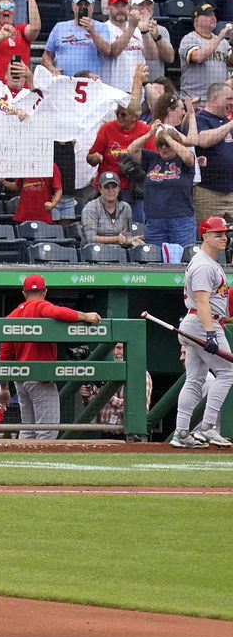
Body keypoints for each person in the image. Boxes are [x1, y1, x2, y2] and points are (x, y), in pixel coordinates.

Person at [0, 274, 102, 440]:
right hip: (40, 377)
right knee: (47, 429)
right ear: (45, 292)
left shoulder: (12, 315)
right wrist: (85, 316)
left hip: (20, 379)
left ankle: (23, 463)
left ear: (23, 293)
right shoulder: (40, 305)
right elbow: (58, 312)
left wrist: (4, 387)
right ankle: (39, 463)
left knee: (28, 428)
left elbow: (4, 356)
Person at [169, 217, 233, 448]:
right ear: (205, 236)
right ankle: (207, 427)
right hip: (203, 322)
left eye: (225, 233)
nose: (224, 237)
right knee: (228, 373)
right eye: (218, 234)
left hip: (196, 322)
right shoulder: (204, 265)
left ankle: (182, 432)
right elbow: (203, 302)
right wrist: (210, 334)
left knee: (194, 379)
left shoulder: (208, 261)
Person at [127, 122, 197, 245]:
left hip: (181, 221)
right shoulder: (152, 159)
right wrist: (150, 134)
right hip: (155, 221)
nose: (163, 148)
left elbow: (188, 158)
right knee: (155, 260)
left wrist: (168, 138)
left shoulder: (184, 160)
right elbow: (131, 150)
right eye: (160, 145)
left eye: (167, 145)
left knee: (182, 259)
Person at [87, 101, 150, 223]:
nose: (119, 117)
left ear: (135, 117)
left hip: (135, 189)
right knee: (106, 226)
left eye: (123, 114)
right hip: (109, 188)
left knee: (136, 226)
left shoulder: (146, 130)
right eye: (117, 113)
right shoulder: (106, 128)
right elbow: (90, 157)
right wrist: (94, 158)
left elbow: (153, 160)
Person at [42, 0, 110, 77]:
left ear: (93, 6)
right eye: (79, 4)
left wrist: (92, 31)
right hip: (65, 82)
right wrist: (51, 68)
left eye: (86, 5)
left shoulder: (102, 27)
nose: (83, 8)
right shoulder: (60, 27)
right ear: (73, 6)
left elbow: (107, 50)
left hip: (90, 82)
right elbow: (46, 56)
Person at [193, 82, 233, 224]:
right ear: (215, 98)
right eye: (229, 99)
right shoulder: (200, 118)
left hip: (231, 193)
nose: (232, 103)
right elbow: (203, 140)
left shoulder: (226, 121)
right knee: (208, 236)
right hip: (209, 193)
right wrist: (231, 123)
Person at [179, 4, 232, 100]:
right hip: (195, 102)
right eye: (208, 15)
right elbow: (198, 57)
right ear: (196, 20)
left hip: (219, 102)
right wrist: (220, 37)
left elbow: (231, 61)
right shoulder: (189, 39)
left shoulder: (223, 42)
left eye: (214, 15)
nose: (213, 17)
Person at [80, 171, 142, 245]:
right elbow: (91, 238)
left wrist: (131, 241)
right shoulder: (90, 208)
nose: (111, 191)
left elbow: (127, 234)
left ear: (119, 188)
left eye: (114, 186)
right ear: (100, 189)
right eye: (106, 187)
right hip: (94, 252)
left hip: (118, 251)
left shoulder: (126, 207)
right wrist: (116, 239)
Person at [131, 0, 173, 81]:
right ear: (133, 8)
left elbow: (170, 59)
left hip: (156, 84)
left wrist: (157, 37)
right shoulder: (127, 29)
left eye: (148, 5)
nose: (145, 9)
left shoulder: (161, 30)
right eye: (141, 5)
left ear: (153, 9)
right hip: (132, 83)